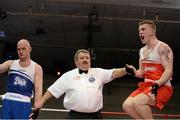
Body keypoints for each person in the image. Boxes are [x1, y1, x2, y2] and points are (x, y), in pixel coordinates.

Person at [36, 49, 129, 119]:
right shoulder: (68, 76)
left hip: (95, 117)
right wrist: (41, 102)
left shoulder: (98, 72)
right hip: (74, 116)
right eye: (82, 58)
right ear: (76, 62)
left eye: (87, 58)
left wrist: (126, 70)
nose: (85, 60)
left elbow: (114, 73)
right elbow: (53, 90)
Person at [122, 19, 173, 119]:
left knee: (138, 102)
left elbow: (169, 70)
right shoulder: (142, 50)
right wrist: (133, 72)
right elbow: (141, 73)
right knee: (127, 105)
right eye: (139, 30)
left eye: (143, 29)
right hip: (147, 85)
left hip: (162, 86)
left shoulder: (163, 47)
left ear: (152, 32)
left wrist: (157, 84)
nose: (140, 32)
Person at [0, 39, 43, 119]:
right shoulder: (10, 63)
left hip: (24, 105)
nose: (20, 51)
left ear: (30, 49)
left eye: (23, 49)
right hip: (8, 102)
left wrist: (36, 111)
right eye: (18, 49)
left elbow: (38, 91)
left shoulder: (37, 68)